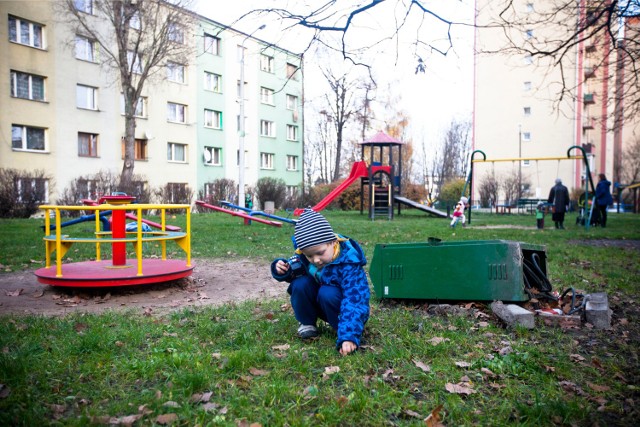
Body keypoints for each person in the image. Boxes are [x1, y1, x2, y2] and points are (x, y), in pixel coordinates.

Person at [270, 208, 370, 356]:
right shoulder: (305, 258)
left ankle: (342, 330)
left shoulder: (349, 264)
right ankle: (307, 323)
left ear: (332, 242)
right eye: (310, 255)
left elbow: (354, 300)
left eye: (320, 253)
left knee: (327, 292)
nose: (316, 260)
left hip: (342, 309)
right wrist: (281, 269)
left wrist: (349, 335)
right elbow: (294, 271)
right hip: (321, 304)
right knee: (300, 284)